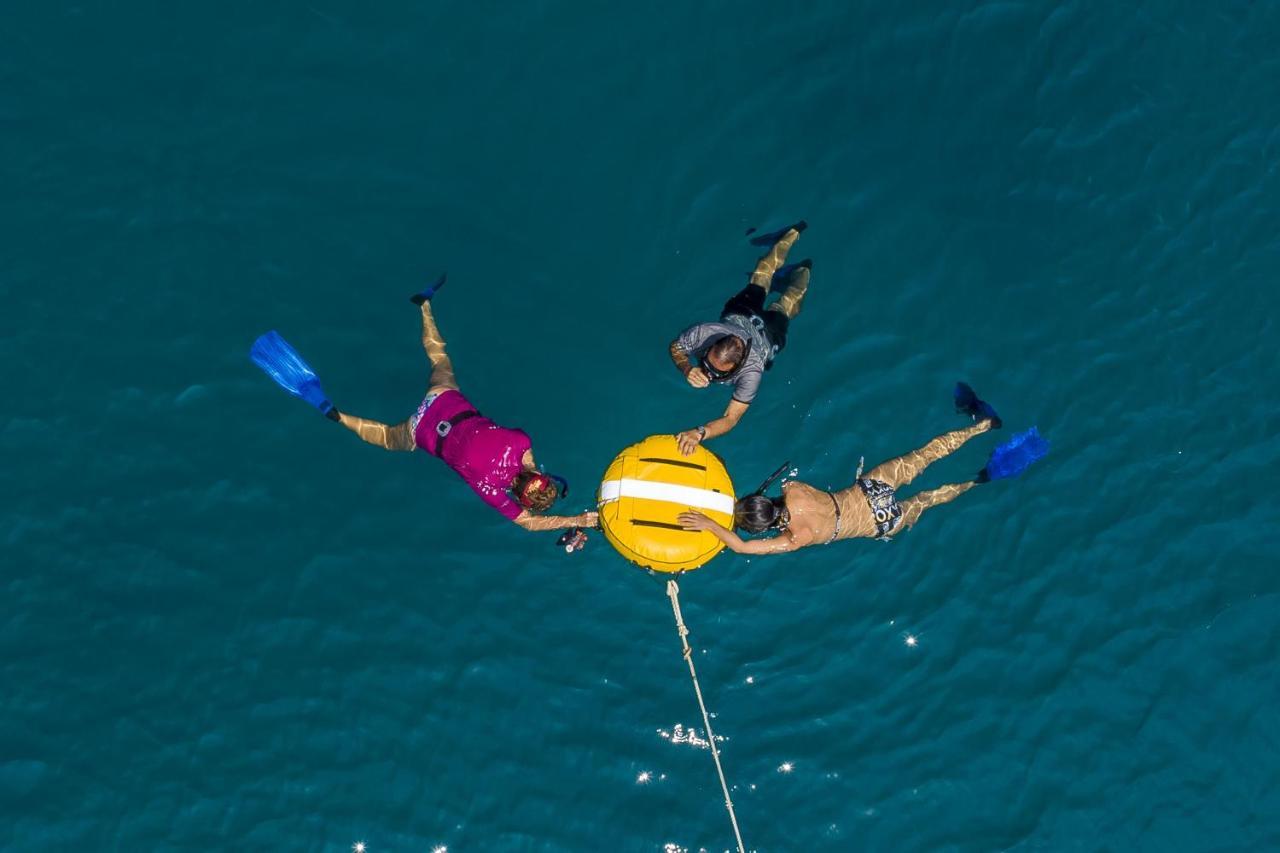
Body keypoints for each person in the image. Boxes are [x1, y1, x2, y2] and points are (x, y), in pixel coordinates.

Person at [329, 277, 597, 532]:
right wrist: (576, 521)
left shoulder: (520, 442)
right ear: (519, 498)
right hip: (421, 431)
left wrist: (535, 475)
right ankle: (337, 415)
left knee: (439, 359)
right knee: (388, 436)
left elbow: (528, 460)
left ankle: (424, 306)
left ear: (538, 474)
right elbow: (529, 523)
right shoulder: (489, 487)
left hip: (443, 398)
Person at [678, 384, 1015, 555]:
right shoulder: (792, 491)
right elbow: (772, 499)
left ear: (765, 529)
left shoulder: (797, 538)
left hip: (877, 521)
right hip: (870, 489)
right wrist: (713, 513)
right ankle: (982, 426)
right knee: (925, 455)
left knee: (927, 499)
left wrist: (711, 526)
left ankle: (978, 480)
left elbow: (741, 547)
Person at [667, 222, 811, 456]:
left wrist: (699, 432)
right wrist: (686, 368)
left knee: (788, 304)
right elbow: (676, 346)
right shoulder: (705, 331)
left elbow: (732, 418)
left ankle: (804, 269)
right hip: (742, 313)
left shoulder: (751, 373)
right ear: (715, 342)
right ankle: (789, 236)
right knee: (762, 274)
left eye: (716, 373)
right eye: (705, 364)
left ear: (737, 367)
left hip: (768, 336)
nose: (707, 374)